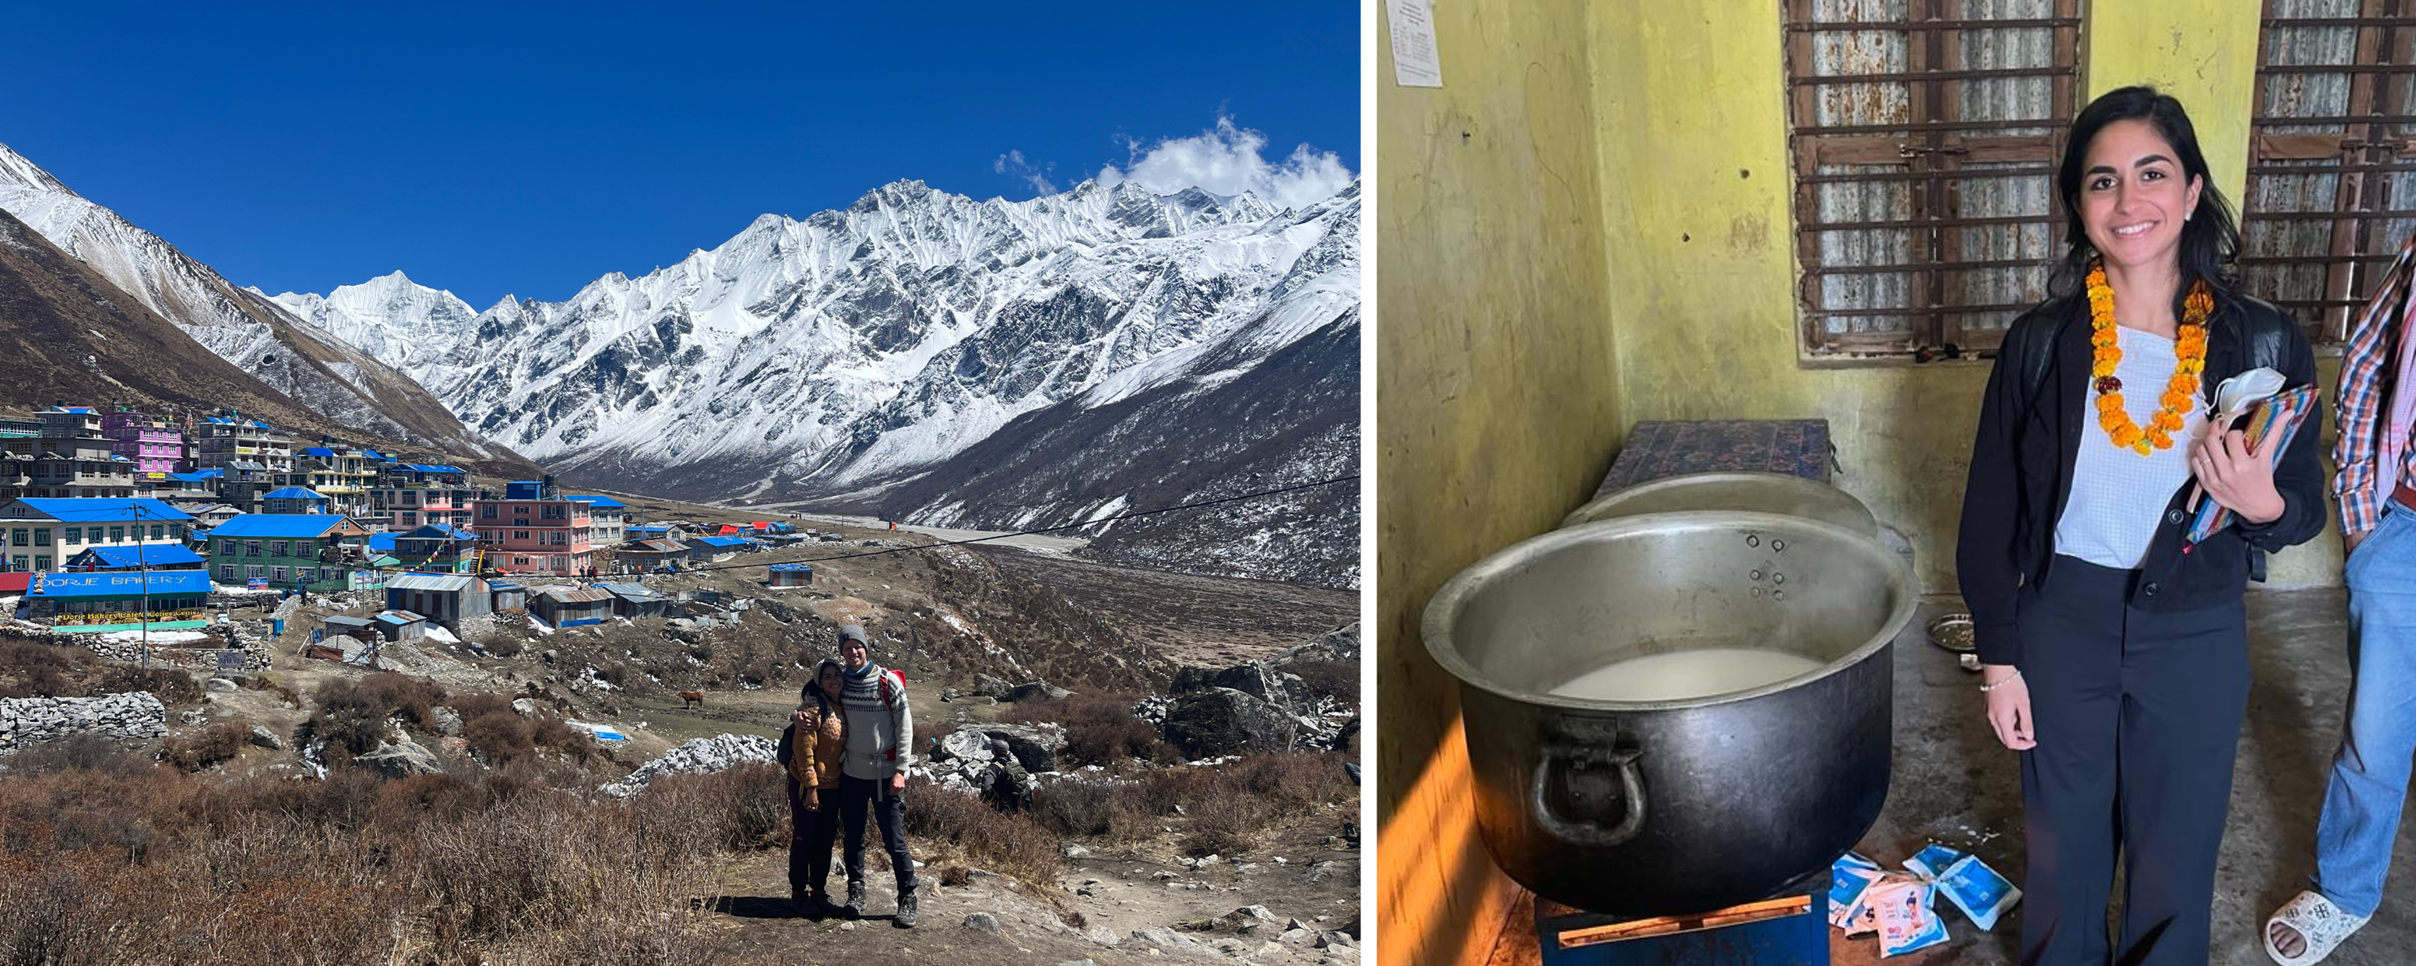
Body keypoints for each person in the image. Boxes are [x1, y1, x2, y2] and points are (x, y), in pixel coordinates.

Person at [1956, 85, 2327, 966]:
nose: (2129, 201)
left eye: (2152, 174)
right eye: (2103, 180)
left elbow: (2302, 507)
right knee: (2063, 855)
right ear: (2078, 205)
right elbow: (1990, 512)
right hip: (2062, 624)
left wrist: (2262, 504)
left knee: (2176, 856)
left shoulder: (2261, 344)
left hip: (2196, 628)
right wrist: (2000, 662)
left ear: (2192, 191)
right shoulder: (2041, 345)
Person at [2263, 238, 2416, 964]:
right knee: (2375, 735)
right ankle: (2345, 890)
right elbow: (2365, 365)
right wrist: (2361, 518)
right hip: (2407, 533)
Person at [833, 623, 919, 928]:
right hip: (853, 773)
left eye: (857, 646)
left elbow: (904, 726)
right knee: (853, 837)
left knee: (894, 840)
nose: (853, 652)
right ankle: (855, 893)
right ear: (842, 652)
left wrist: (901, 771)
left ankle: (907, 896)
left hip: (887, 776)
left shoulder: (887, 682)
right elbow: (816, 695)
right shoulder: (840, 683)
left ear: (866, 648)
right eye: (847, 648)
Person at [774, 658, 847, 919]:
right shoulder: (813, 708)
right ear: (819, 681)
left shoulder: (844, 705)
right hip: (808, 784)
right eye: (827, 676)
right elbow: (803, 750)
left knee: (825, 839)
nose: (834, 680)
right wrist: (811, 787)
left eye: (837, 674)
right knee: (804, 837)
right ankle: (798, 893)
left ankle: (818, 891)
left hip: (833, 785)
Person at [984, 738, 1032, 815]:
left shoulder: (992, 768)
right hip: (1019, 804)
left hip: (1003, 808)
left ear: (994, 751)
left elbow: (986, 788)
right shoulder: (1014, 765)